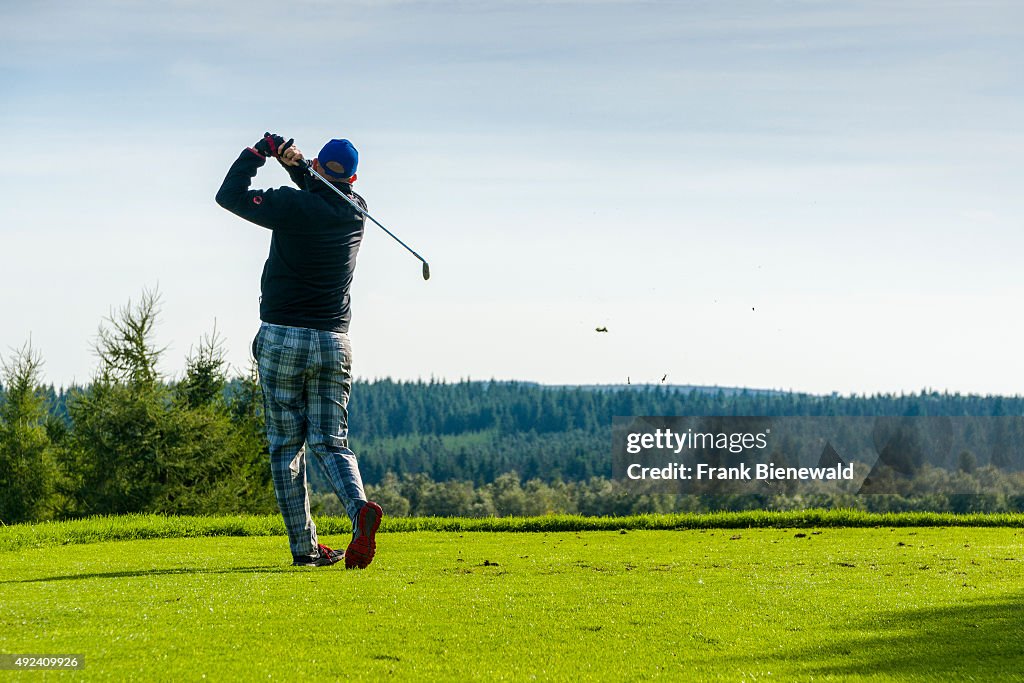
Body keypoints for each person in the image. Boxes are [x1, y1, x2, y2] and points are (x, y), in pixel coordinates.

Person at [215, 132, 383, 568]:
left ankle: (304, 548)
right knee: (333, 442)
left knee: (286, 446)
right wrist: (296, 163)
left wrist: (258, 155)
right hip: (334, 342)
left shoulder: (291, 206)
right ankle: (358, 509)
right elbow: (322, 189)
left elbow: (229, 195)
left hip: (283, 337)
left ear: (318, 168)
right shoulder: (357, 210)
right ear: (354, 177)